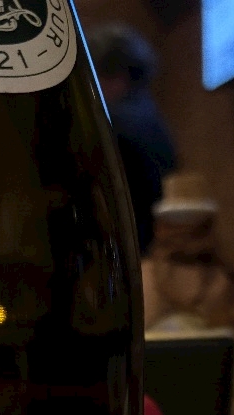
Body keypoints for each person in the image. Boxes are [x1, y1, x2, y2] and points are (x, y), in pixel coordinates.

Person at [86, 23, 177, 256]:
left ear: (119, 78)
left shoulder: (117, 124)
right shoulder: (153, 121)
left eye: (96, 75)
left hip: (127, 256)